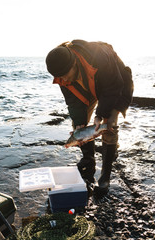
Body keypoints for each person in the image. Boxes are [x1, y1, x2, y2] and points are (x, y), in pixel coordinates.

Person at [45, 40, 133, 194]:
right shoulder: (61, 73)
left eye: (65, 76)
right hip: (88, 89)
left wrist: (101, 114)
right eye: (60, 78)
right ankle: (88, 162)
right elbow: (73, 102)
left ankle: (105, 175)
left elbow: (114, 88)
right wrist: (79, 123)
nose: (63, 81)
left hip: (116, 86)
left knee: (109, 125)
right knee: (78, 126)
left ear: (74, 64)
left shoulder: (100, 57)